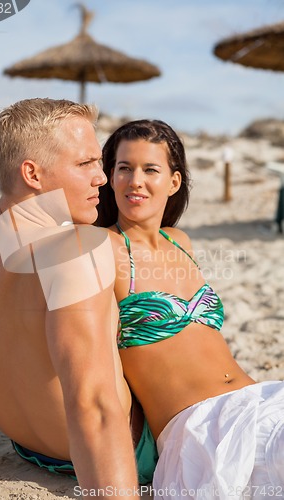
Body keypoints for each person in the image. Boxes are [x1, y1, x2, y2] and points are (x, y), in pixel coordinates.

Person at [0, 98, 156, 496]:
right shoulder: (78, 248)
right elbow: (95, 407)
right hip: (112, 453)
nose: (103, 177)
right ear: (32, 173)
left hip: (27, 448)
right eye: (86, 164)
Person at [96, 119, 284, 499]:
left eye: (150, 169)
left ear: (174, 182)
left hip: (261, 400)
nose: (135, 180)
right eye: (124, 168)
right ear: (109, 177)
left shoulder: (181, 241)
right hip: (202, 428)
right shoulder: (102, 248)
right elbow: (60, 342)